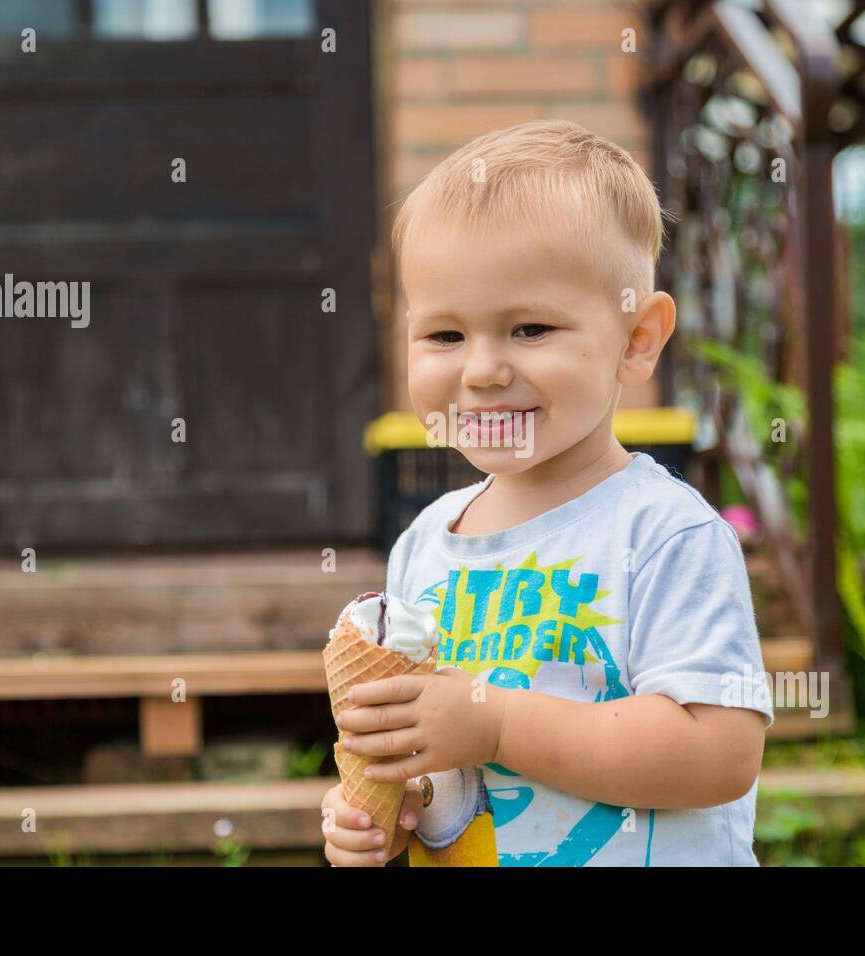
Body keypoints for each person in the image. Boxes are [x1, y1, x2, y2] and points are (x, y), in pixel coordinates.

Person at [322, 120, 773, 866]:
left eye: (529, 328)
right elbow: (444, 777)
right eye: (444, 336)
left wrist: (495, 726)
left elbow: (719, 754)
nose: (483, 370)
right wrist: (380, 810)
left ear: (637, 339)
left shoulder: (664, 534)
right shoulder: (423, 547)